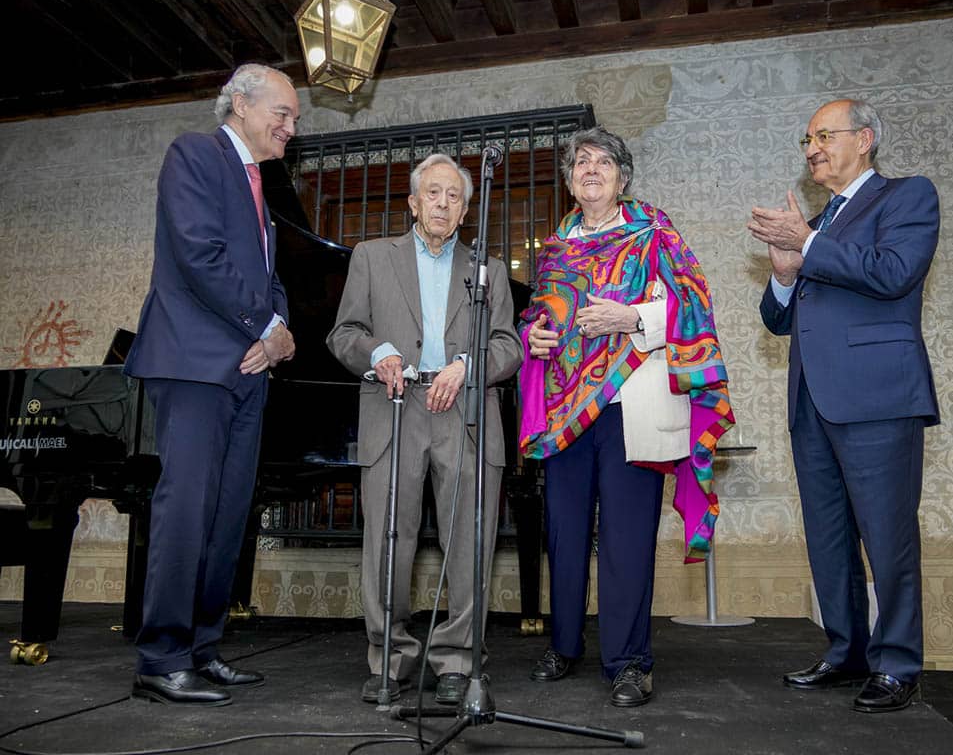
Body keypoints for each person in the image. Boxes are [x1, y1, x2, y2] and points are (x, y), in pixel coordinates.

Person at [519, 126, 734, 707]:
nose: (590, 169)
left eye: (603, 162)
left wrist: (632, 317)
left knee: (627, 539)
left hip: (630, 409)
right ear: (568, 180)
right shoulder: (555, 248)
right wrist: (533, 338)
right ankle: (563, 646)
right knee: (563, 536)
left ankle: (628, 661)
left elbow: (693, 303)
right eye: (580, 162)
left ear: (622, 176)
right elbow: (544, 318)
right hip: (565, 412)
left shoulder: (654, 234)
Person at [749, 98, 940, 713]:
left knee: (887, 536)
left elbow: (893, 273)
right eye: (806, 139)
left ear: (864, 139)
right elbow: (780, 320)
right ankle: (846, 650)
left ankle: (898, 663)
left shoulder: (905, 196)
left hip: (878, 397)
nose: (811, 149)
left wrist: (807, 240)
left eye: (822, 136)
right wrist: (782, 271)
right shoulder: (824, 217)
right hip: (812, 399)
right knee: (828, 536)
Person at [124, 64, 298, 706]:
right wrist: (268, 327)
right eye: (282, 112)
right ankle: (160, 657)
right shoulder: (195, 153)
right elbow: (199, 255)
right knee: (188, 510)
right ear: (241, 104)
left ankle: (201, 646)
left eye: (294, 119)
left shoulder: (260, 189)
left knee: (226, 518)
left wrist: (278, 329)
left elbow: (270, 276)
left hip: (248, 371)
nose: (289, 127)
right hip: (196, 364)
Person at [326, 153, 522, 706]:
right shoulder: (370, 257)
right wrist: (377, 351)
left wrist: (468, 367)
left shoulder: (488, 269)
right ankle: (388, 657)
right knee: (389, 541)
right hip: (394, 406)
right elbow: (344, 333)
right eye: (432, 194)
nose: (442, 203)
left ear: (466, 210)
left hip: (463, 409)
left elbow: (508, 344)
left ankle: (458, 661)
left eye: (454, 196)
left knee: (468, 546)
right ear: (412, 203)